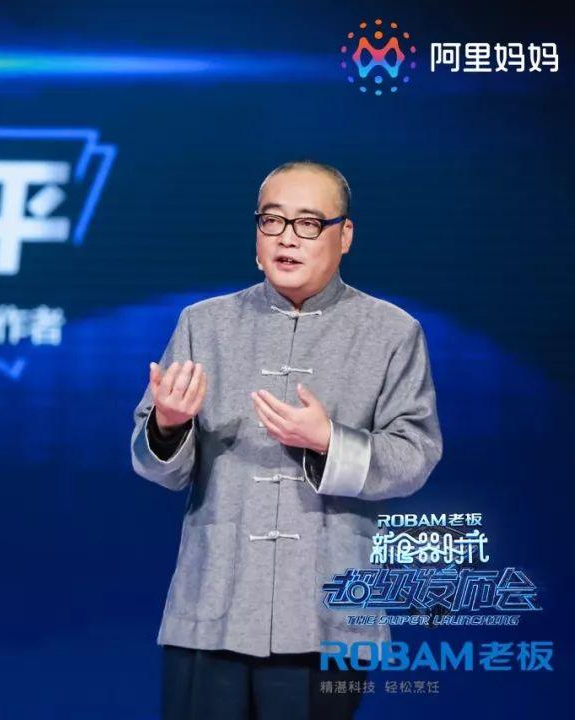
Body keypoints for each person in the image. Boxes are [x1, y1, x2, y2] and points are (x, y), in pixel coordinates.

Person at [129, 160, 443, 720]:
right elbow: (157, 467)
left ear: (344, 235)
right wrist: (169, 424)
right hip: (212, 606)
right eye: (271, 221)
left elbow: (415, 456)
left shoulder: (393, 333)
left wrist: (329, 441)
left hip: (325, 616)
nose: (286, 238)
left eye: (308, 223)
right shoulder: (204, 324)